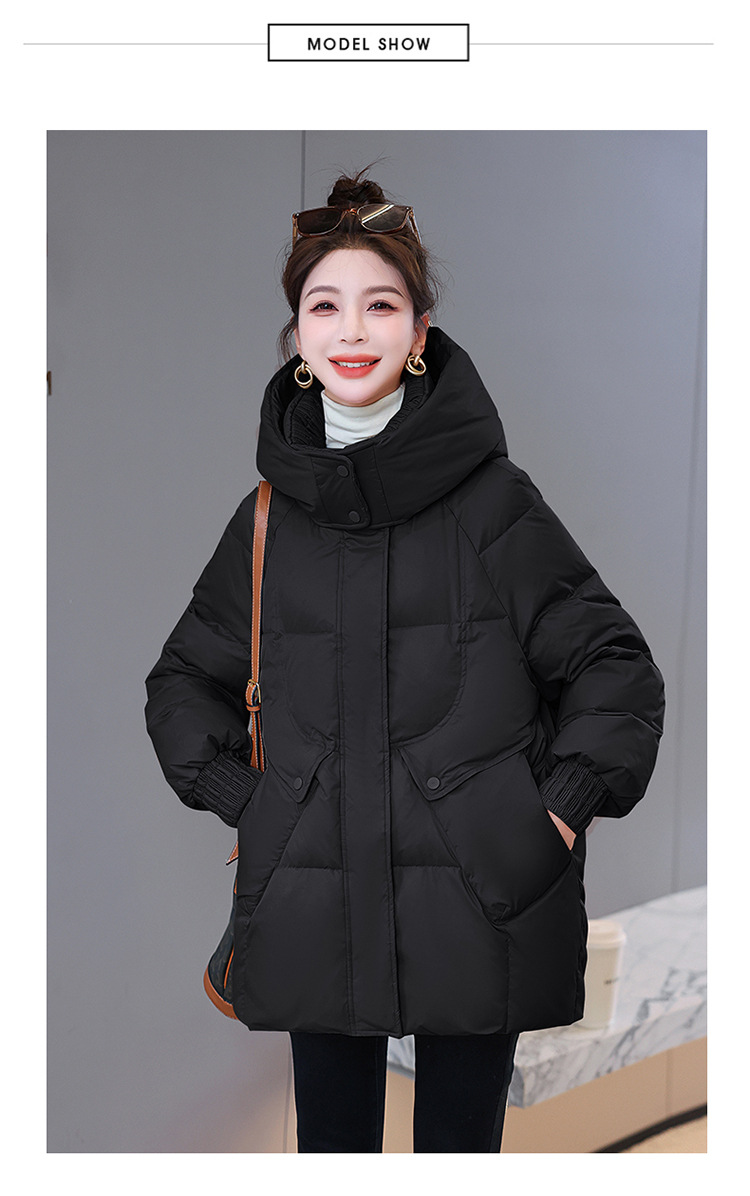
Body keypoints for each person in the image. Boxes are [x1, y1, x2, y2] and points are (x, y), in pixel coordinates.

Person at [145, 169, 665, 1153]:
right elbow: (184, 684)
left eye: (380, 305)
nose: (352, 329)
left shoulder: (493, 504)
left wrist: (549, 817)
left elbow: (614, 668)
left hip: (481, 901)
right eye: (325, 305)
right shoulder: (268, 520)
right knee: (333, 1152)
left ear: (420, 333)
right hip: (315, 905)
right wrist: (252, 801)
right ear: (298, 337)